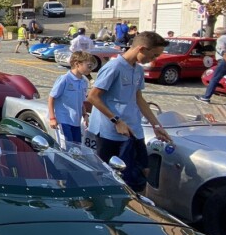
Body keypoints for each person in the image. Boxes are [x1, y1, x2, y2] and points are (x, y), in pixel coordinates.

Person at [87, 31, 172, 193]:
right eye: (153, 55)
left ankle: (135, 203)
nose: (154, 59)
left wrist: (156, 125)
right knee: (110, 176)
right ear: (141, 49)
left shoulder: (138, 70)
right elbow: (92, 97)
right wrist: (116, 121)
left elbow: (138, 98)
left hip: (133, 129)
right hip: (110, 132)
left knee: (142, 171)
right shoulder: (114, 67)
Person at [48, 51, 92, 143]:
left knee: (77, 147)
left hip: (76, 121)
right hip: (64, 120)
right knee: (67, 146)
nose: (90, 69)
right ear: (77, 64)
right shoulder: (65, 79)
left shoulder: (84, 82)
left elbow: (81, 101)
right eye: (88, 66)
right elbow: (52, 97)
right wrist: (52, 118)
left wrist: (85, 115)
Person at [196, 26, 226, 106]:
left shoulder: (220, 40)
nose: (215, 35)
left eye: (215, 34)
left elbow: (223, 52)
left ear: (218, 34)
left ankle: (206, 97)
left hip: (225, 61)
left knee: (214, 79)